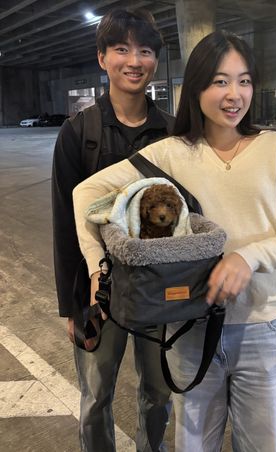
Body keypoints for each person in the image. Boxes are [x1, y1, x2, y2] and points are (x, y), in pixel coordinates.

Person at [72, 30, 276, 451]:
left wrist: (247, 258)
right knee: (193, 444)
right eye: (220, 81)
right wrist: (99, 267)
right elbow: (85, 194)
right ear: (196, 87)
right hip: (189, 328)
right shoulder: (170, 153)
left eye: (244, 81)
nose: (234, 94)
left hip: (266, 328)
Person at [51, 8, 174, 452]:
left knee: (158, 393)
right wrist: (72, 305)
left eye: (144, 51)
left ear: (155, 60)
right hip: (97, 290)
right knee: (96, 395)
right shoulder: (78, 132)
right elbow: (65, 225)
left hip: (158, 289)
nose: (134, 61)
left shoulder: (173, 133)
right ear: (102, 58)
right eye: (122, 49)